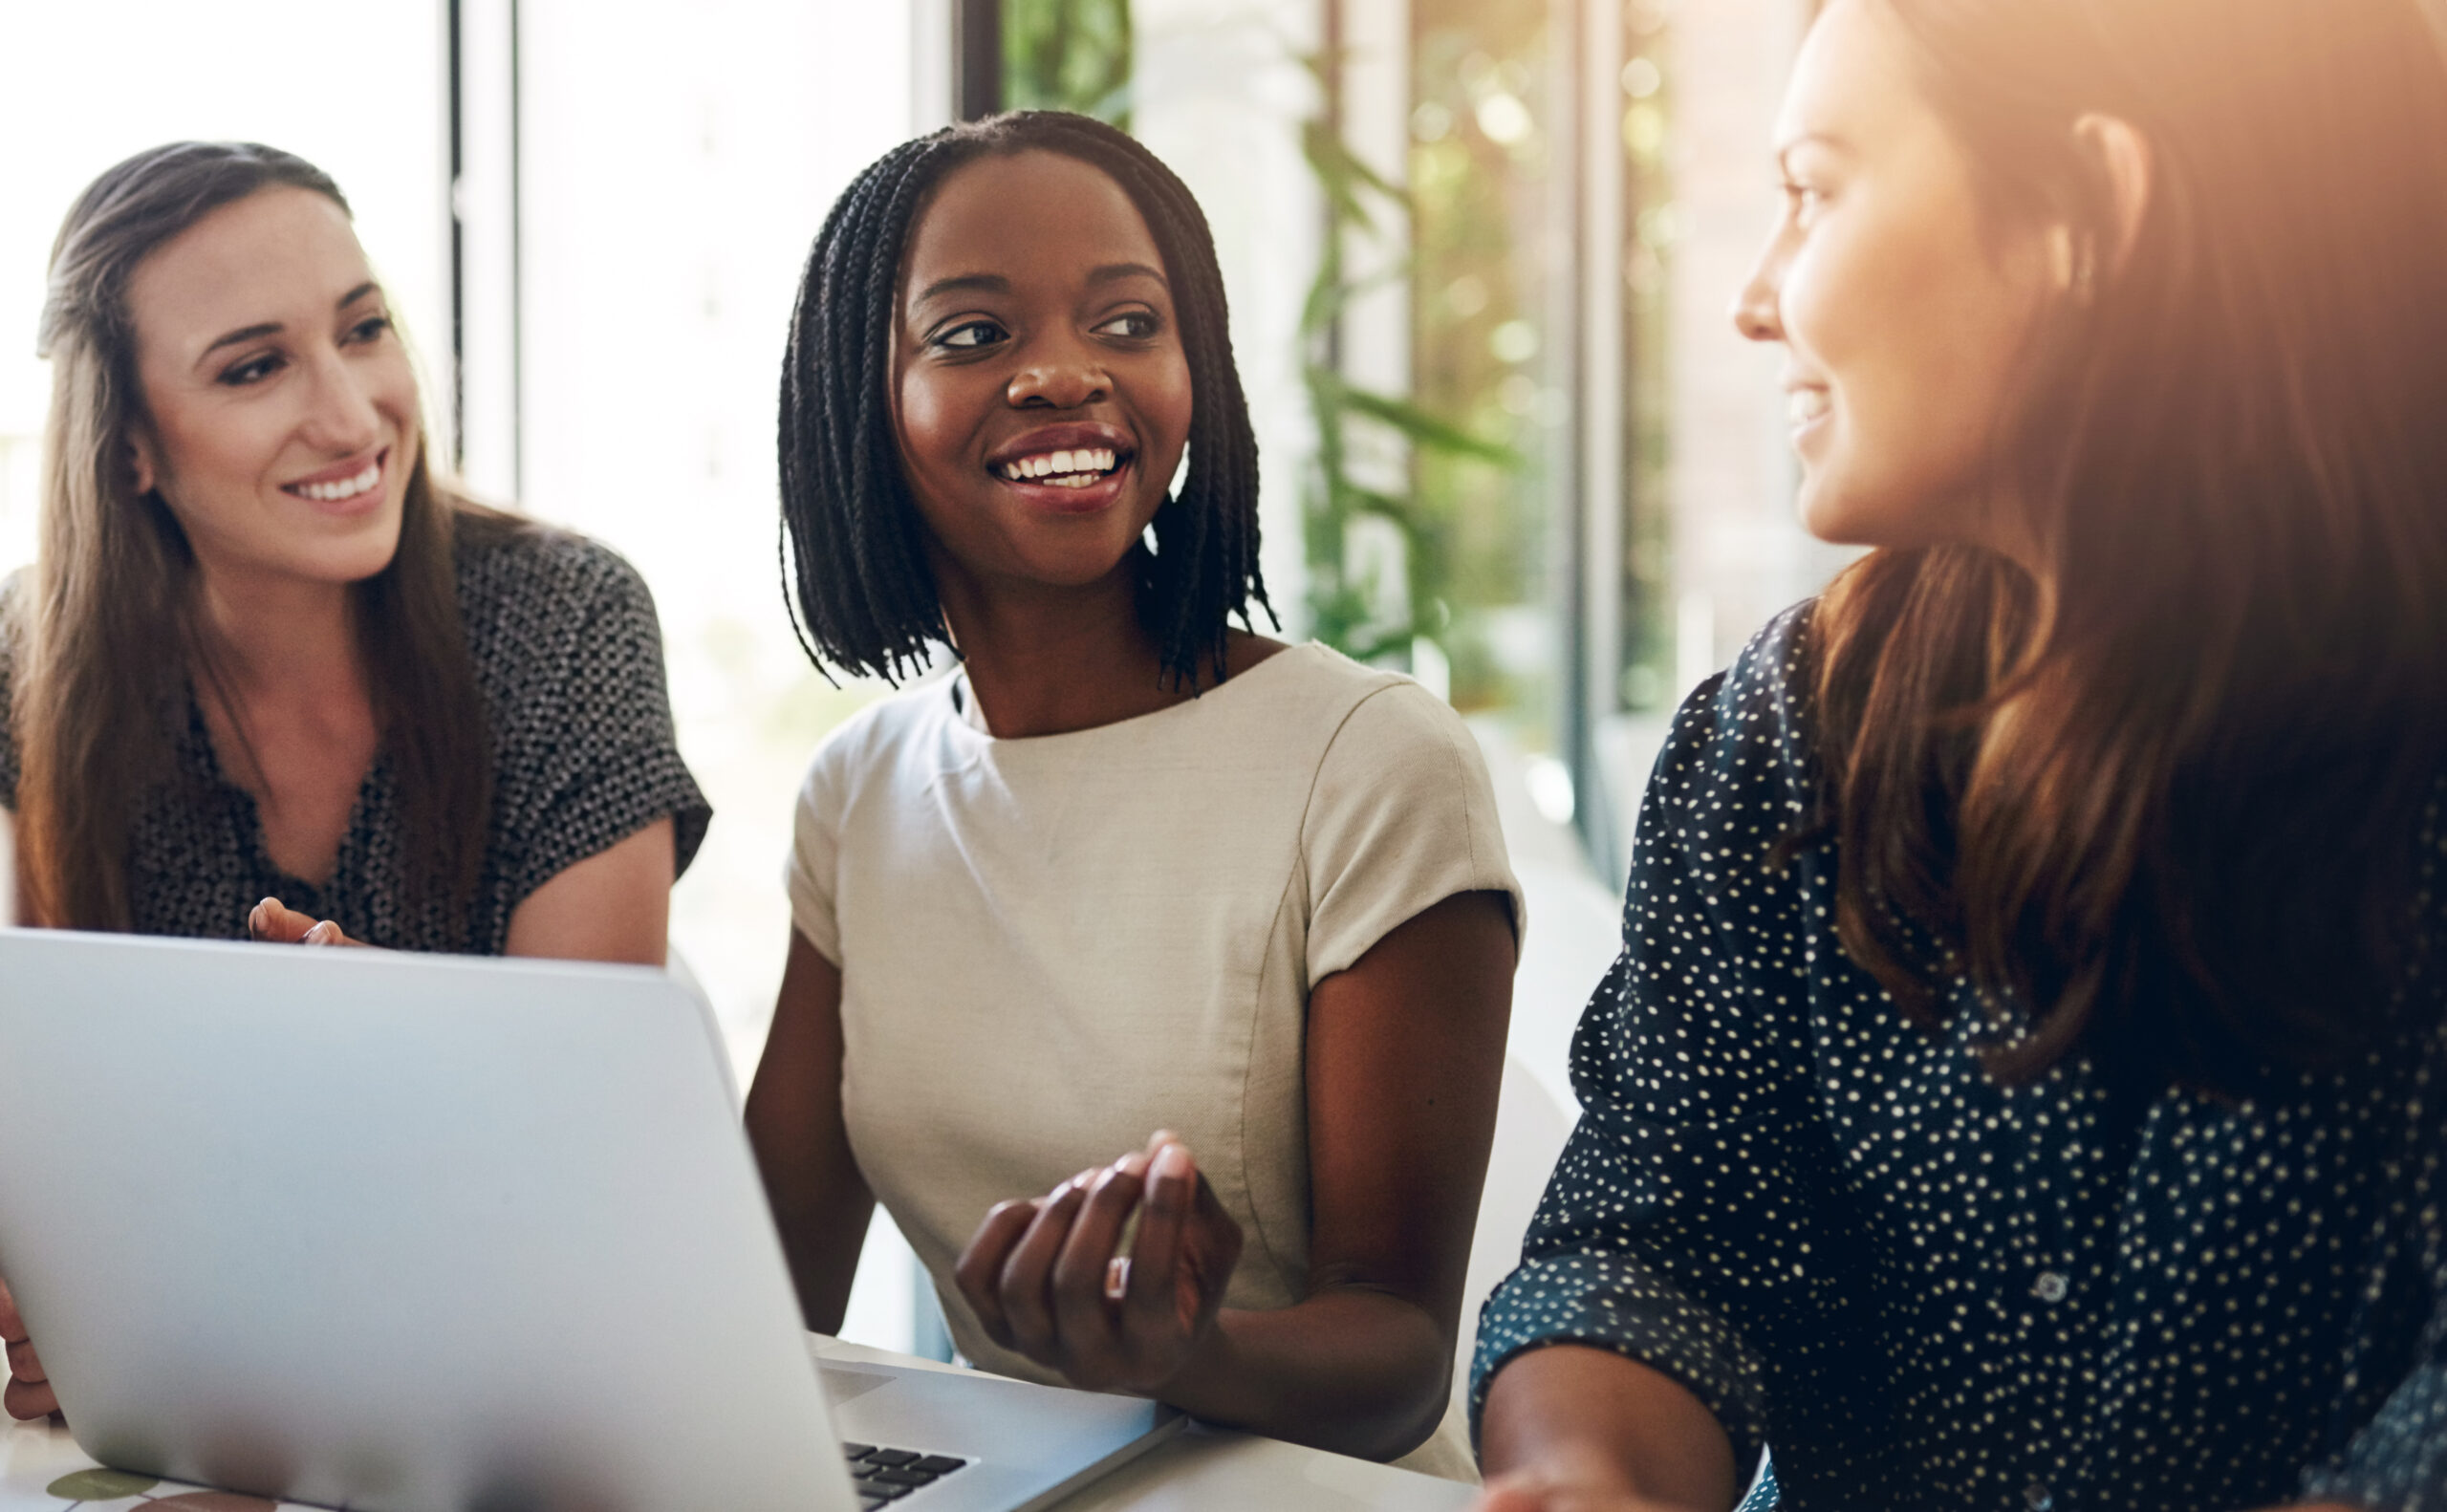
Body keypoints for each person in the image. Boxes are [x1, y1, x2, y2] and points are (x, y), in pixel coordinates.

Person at [1468, 0, 2447, 1508]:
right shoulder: (1781, 741)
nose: (1753, 297)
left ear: (2088, 213)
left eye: (1816, 188)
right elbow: (1651, 1250)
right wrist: (1594, 1473)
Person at [745, 111, 1522, 1478]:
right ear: (858, 402)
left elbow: (1401, 1353)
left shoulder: (1370, 760)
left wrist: (1184, 1350)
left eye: (1125, 321)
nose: (1063, 373)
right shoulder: (859, 795)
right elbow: (754, 1302)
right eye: (975, 334)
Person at [0, 141, 710, 1420]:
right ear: (128, 453)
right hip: (197, 1420)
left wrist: (402, 1076)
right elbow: (43, 1155)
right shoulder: (29, 666)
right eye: (255, 365)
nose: (351, 412)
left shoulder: (565, 621)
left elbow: (579, 1169)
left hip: (531, 1403)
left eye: (364, 328)